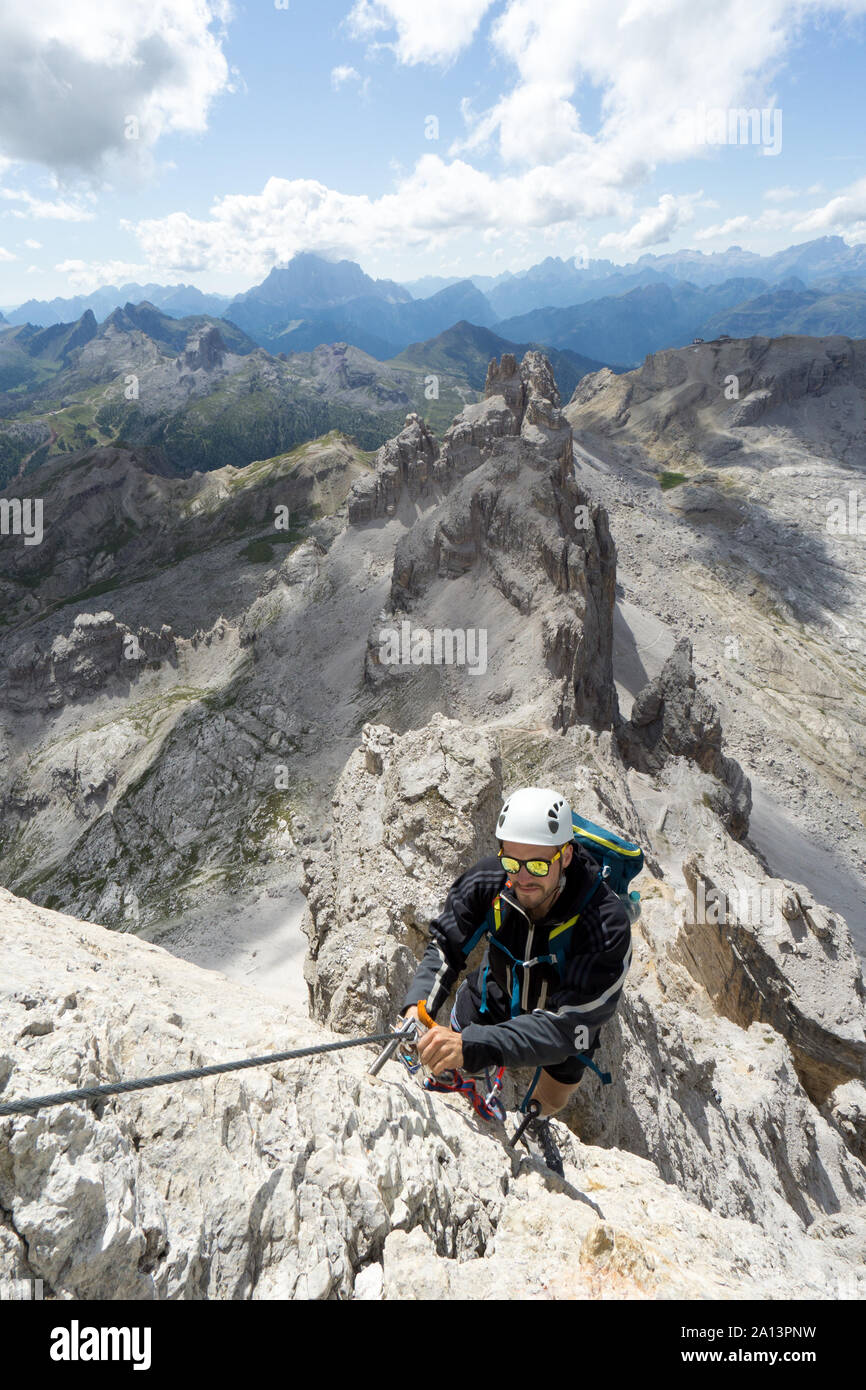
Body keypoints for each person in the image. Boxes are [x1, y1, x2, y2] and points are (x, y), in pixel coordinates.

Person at [400, 786, 632, 1173]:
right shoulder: (491, 881)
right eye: (512, 862)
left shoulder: (605, 925)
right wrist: (418, 1006)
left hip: (563, 1029)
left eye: (538, 866)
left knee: (553, 1096)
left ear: (566, 855)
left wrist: (472, 1044)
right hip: (491, 999)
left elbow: (564, 1029)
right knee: (454, 1051)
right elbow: (446, 945)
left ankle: (535, 1119)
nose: (522, 878)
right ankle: (465, 1085)